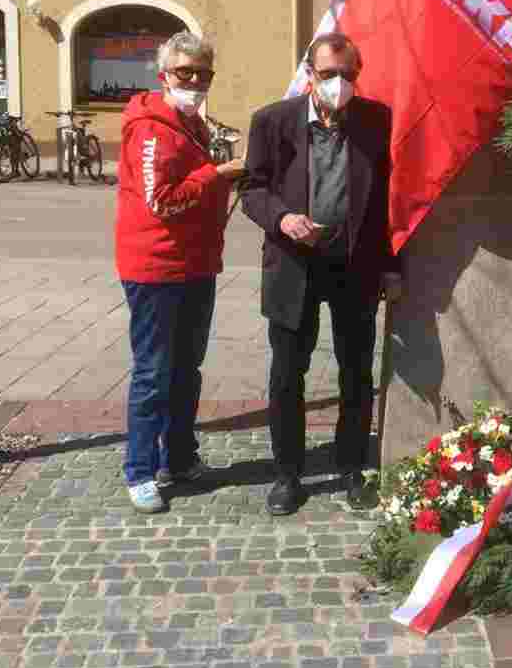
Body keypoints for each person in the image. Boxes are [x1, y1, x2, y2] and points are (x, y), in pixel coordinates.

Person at [241, 32, 402, 516]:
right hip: (295, 264)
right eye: (329, 74)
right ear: (309, 73)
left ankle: (352, 467)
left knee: (357, 373)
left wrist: (393, 266)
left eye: (348, 75)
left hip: (354, 264)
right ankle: (288, 475)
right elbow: (252, 187)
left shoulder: (377, 121)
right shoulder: (273, 121)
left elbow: (392, 201)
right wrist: (283, 219)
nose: (339, 84)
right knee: (288, 374)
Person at [115, 31, 244, 514]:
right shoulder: (151, 127)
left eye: (202, 73)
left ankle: (181, 458)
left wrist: (222, 173)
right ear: (164, 74)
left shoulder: (192, 124)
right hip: (155, 267)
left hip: (195, 263)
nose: (193, 80)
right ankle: (141, 470)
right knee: (153, 372)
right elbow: (161, 200)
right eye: (184, 72)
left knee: (187, 370)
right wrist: (218, 174)